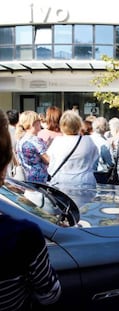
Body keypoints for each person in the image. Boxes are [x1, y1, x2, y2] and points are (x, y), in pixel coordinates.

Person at [0, 109, 61, 310]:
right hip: (39, 182)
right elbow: (49, 295)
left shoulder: (22, 140)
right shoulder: (22, 235)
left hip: (28, 180)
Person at [47, 110, 99, 187]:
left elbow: (51, 162)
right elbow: (95, 158)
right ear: (79, 124)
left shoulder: (57, 141)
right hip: (84, 181)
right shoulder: (88, 140)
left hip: (62, 182)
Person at [15, 111, 50, 183]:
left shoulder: (20, 139)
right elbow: (48, 160)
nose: (40, 123)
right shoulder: (35, 140)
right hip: (40, 181)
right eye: (38, 121)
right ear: (33, 124)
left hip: (28, 178)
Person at [90, 117, 114, 184]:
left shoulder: (88, 139)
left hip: (88, 172)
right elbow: (110, 162)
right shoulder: (105, 143)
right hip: (100, 174)